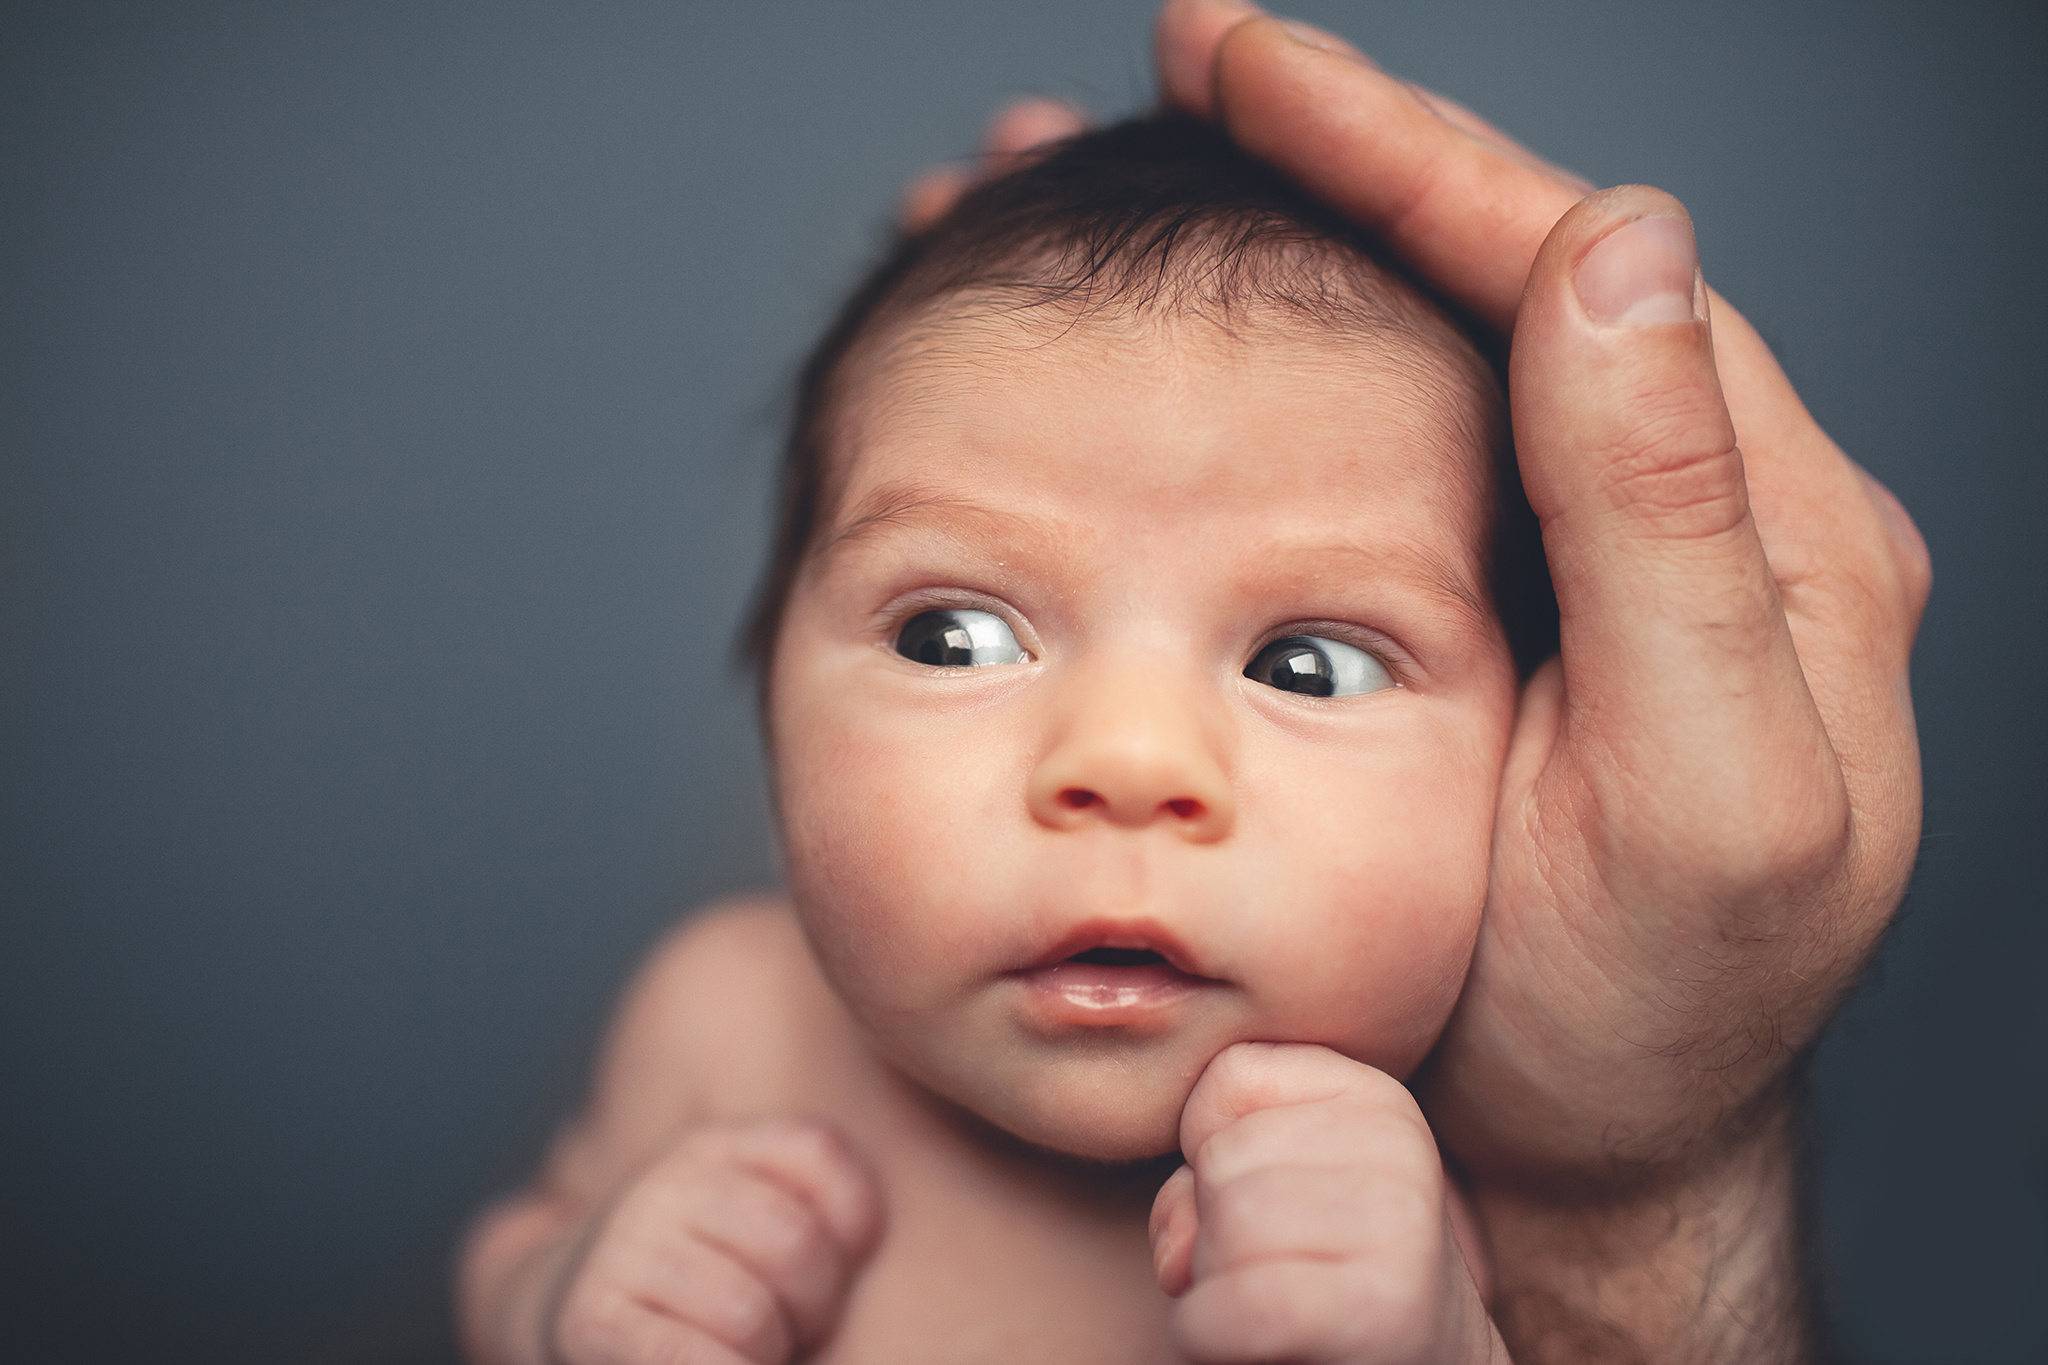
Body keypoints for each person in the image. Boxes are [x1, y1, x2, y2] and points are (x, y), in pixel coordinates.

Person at [457, 2, 1931, 1361]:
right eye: (953, 637)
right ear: (772, 686)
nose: (1129, 762)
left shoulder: (1418, 1178)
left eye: (1309, 665)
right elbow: (519, 1250)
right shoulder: (725, 1020)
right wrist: (566, 1294)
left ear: (1528, 746)